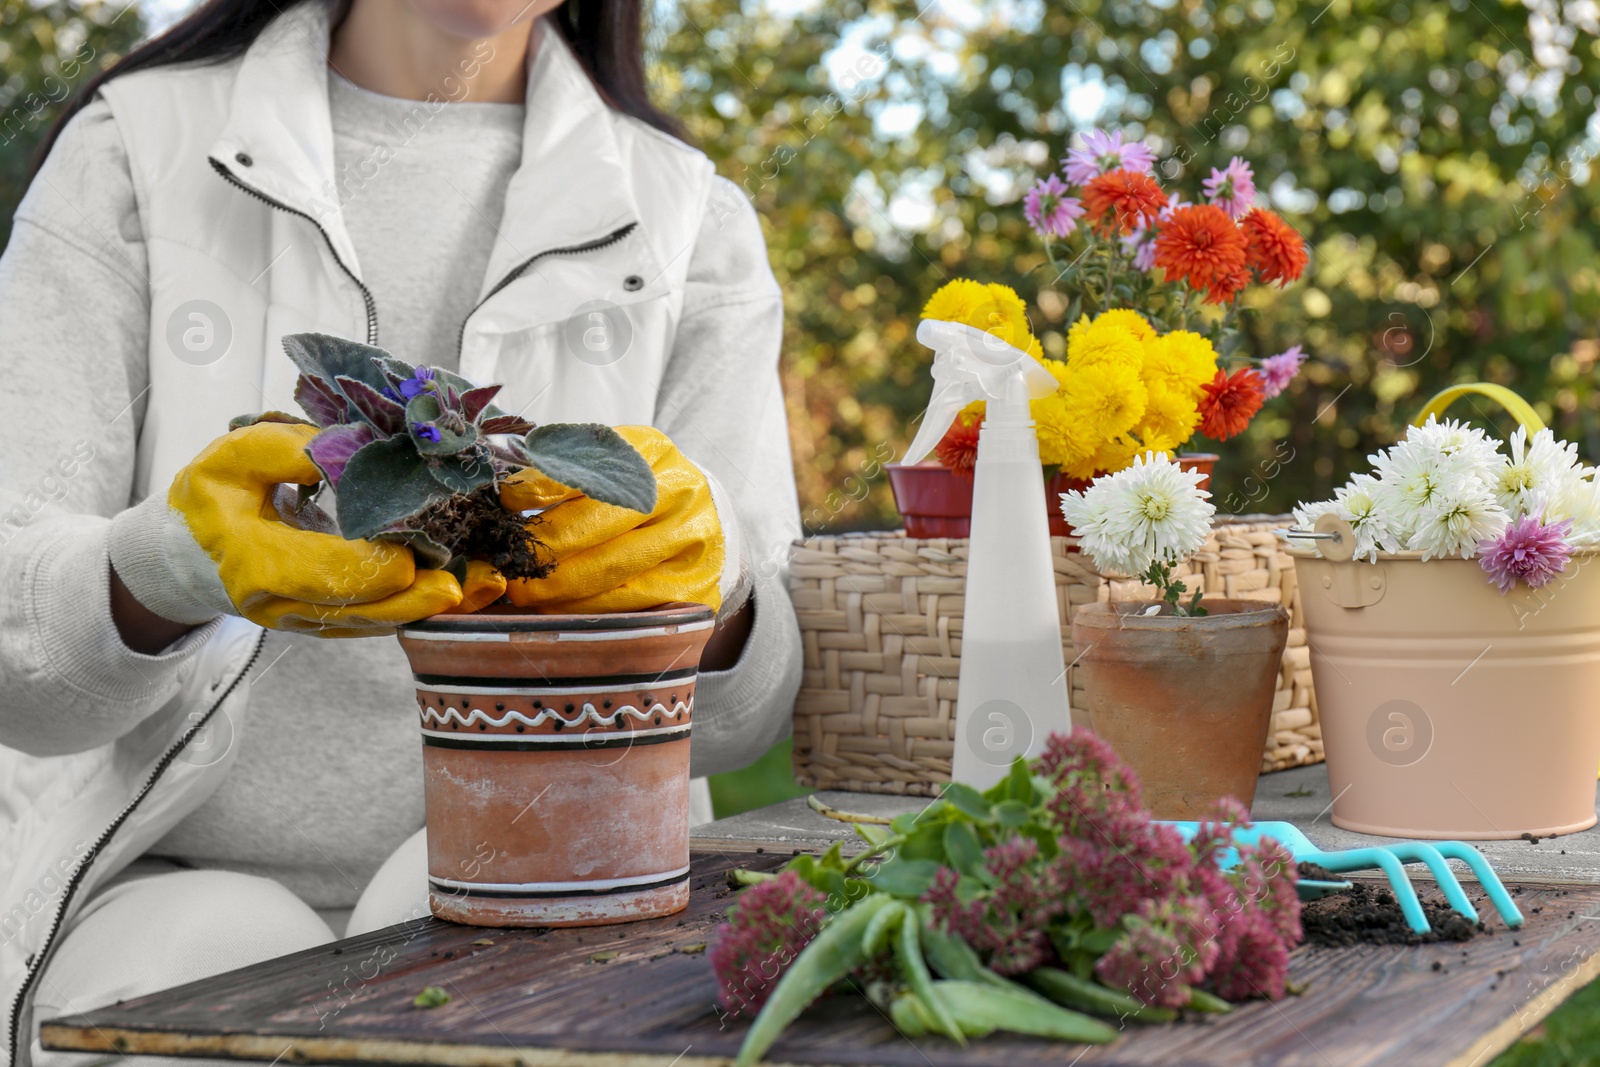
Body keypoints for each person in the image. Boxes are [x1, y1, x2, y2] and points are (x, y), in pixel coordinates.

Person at [0, 0, 803, 1061]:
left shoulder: (690, 221)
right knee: (195, 976)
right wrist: (168, 563)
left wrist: (718, 580)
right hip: (156, 880)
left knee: (474, 972)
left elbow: (746, 722)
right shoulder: (135, 155)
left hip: (557, 880)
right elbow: (18, 667)